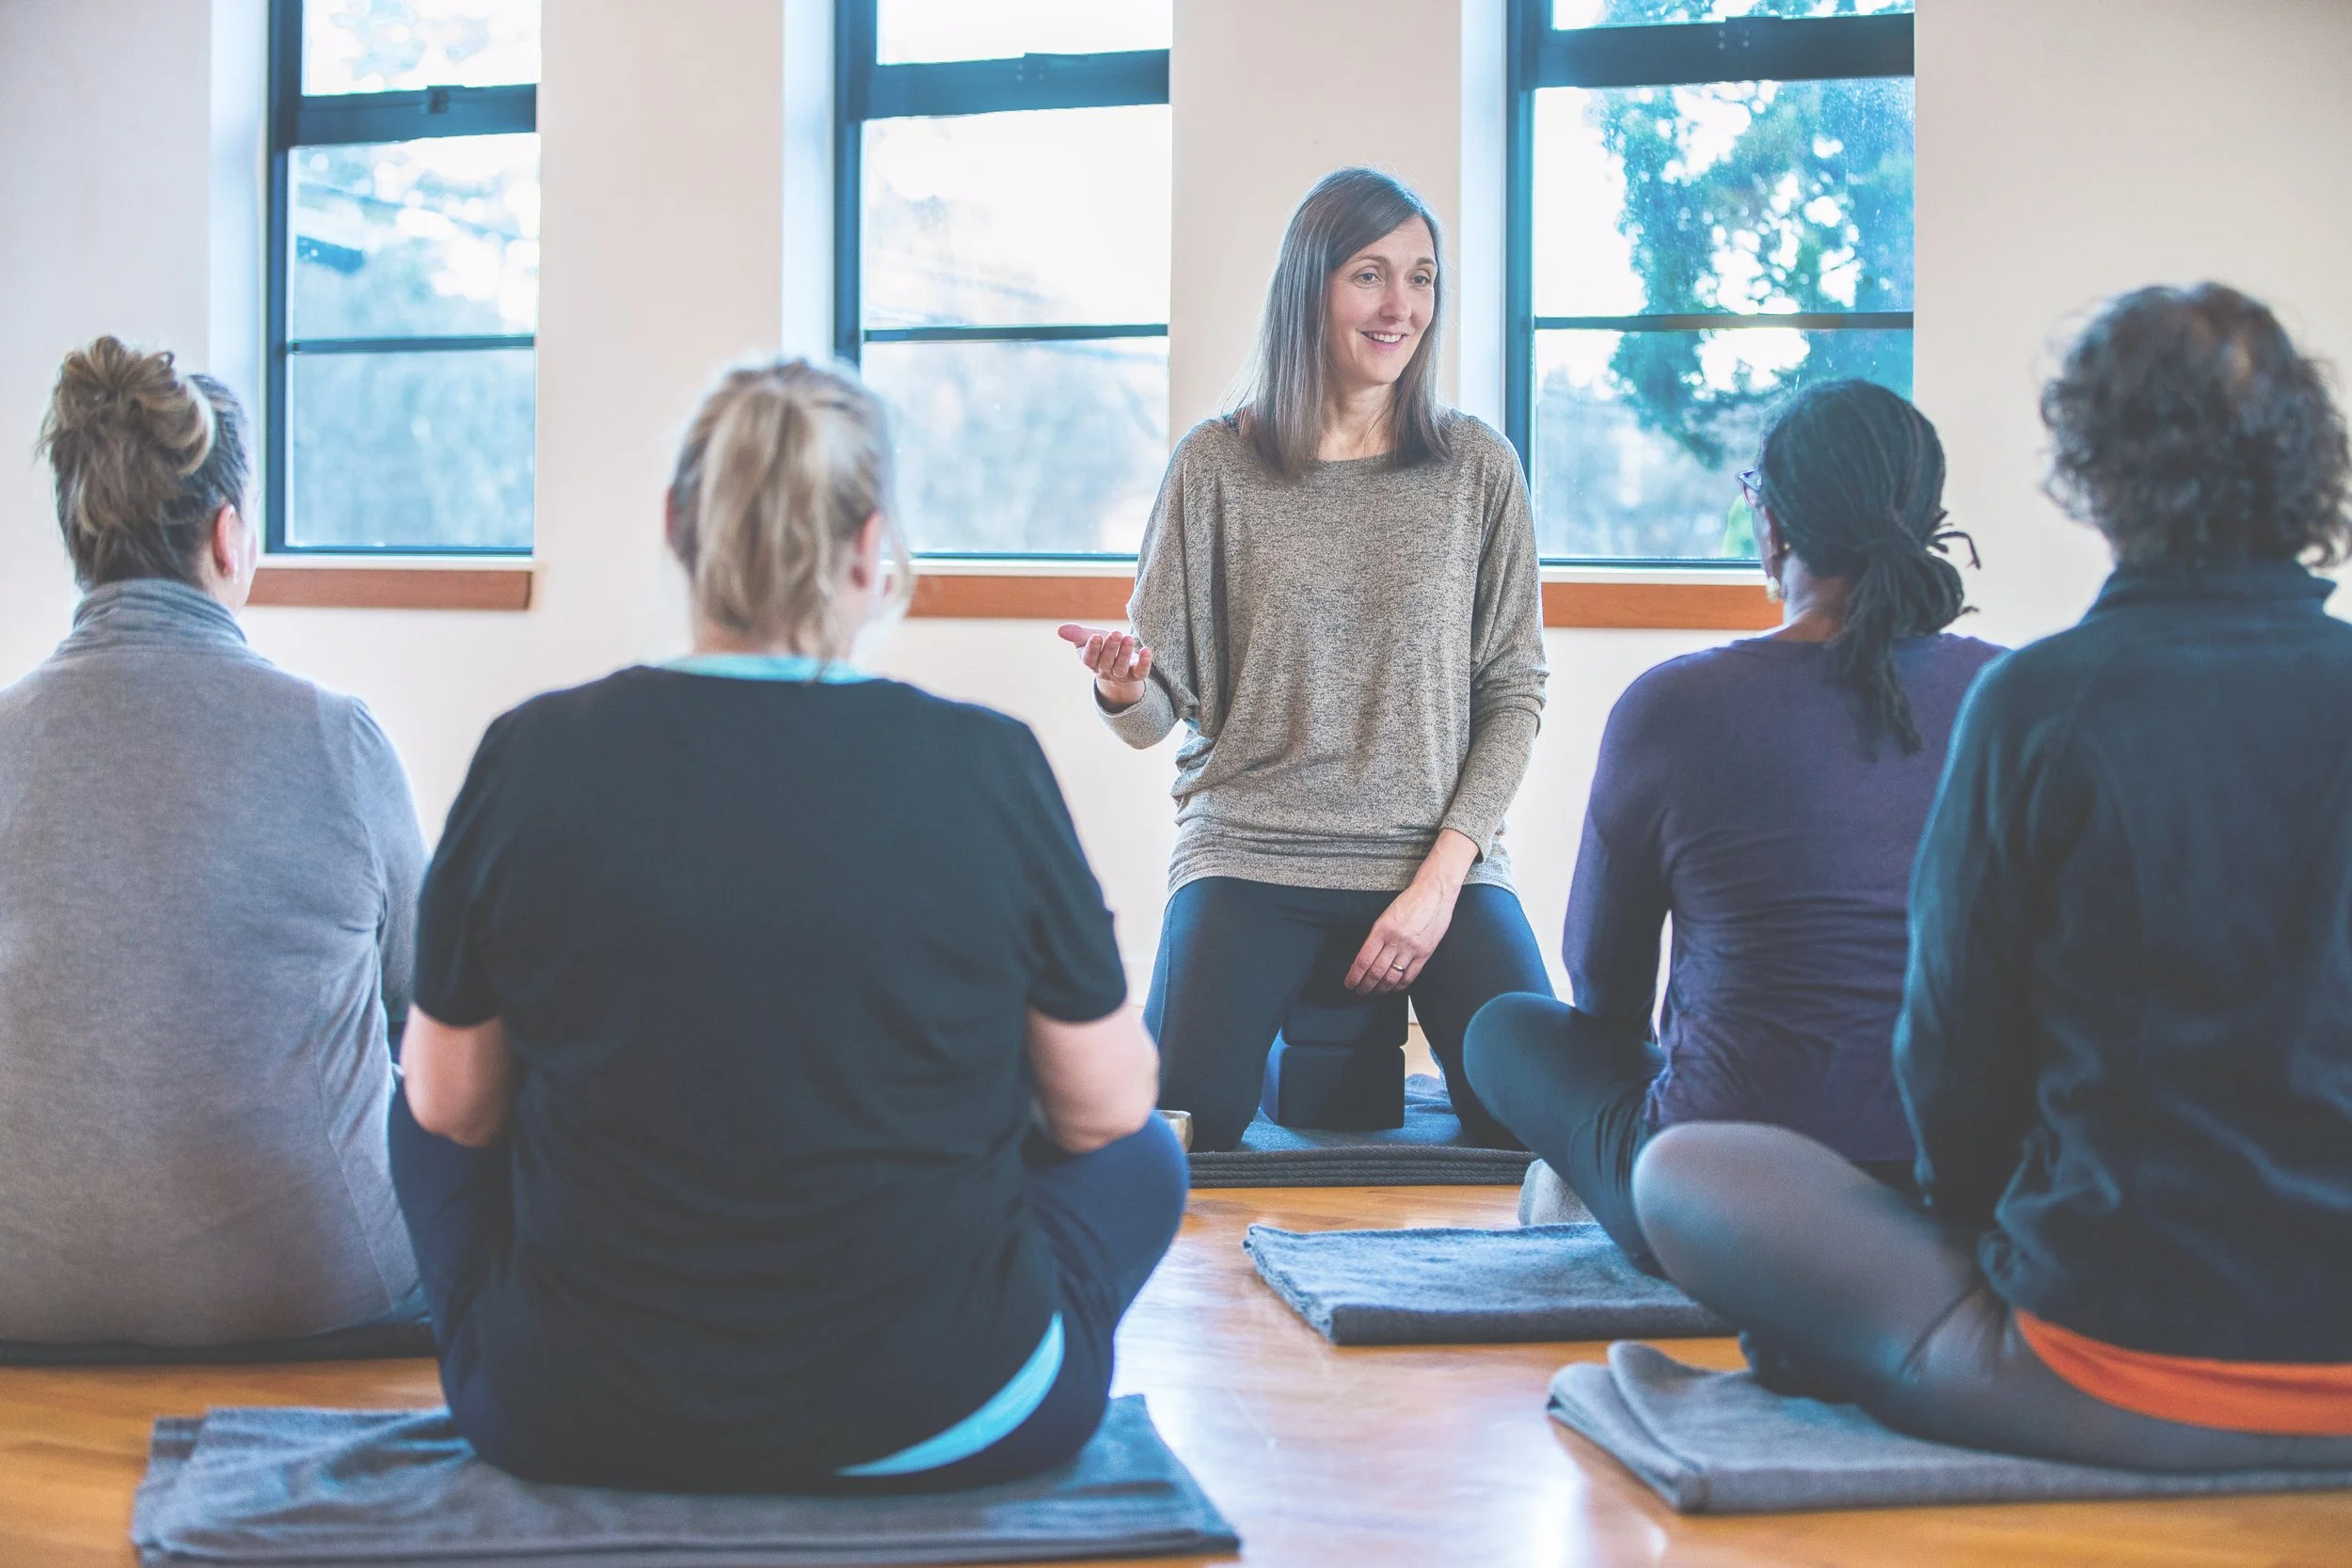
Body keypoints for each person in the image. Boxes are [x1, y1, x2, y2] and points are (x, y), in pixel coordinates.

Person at [390, 357, 1185, 1492]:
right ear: (871, 550)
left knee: (414, 1105)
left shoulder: (531, 755)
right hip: (955, 1406)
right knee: (1148, 1156)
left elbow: (450, 1107)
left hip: (570, 1410)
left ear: (676, 527)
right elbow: (1107, 1104)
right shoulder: (987, 761)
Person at [1634, 284, 2352, 1468]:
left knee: (1686, 1168)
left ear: (2093, 466)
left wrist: (1966, 1235)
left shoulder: (2043, 701)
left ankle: (1866, 1350)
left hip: (2104, 1368)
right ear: (2303, 454)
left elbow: (1954, 1059)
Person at [1058, 166, 1552, 1152]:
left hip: (1431, 855)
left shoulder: (1476, 466)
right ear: (1309, 289)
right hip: (1250, 843)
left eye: (1420, 277)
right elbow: (1165, 706)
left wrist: (1439, 880)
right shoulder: (1214, 465)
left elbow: (1512, 690)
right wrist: (1123, 682)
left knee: (1531, 1119)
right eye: (1370, 275)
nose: (1400, 305)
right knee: (1182, 1121)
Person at [1463, 381, 2000, 1270]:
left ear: (1774, 525)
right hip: (1957, 1195)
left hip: (1717, 1207)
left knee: (1503, 1029)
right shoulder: (2008, 695)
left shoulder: (1675, 705)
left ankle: (1589, 1194)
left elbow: (1605, 991)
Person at [0, 336, 424, 1346]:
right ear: (228, 537)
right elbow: (431, 1007)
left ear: (79, 542)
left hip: (23, 1290)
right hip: (319, 1285)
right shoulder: (339, 740)